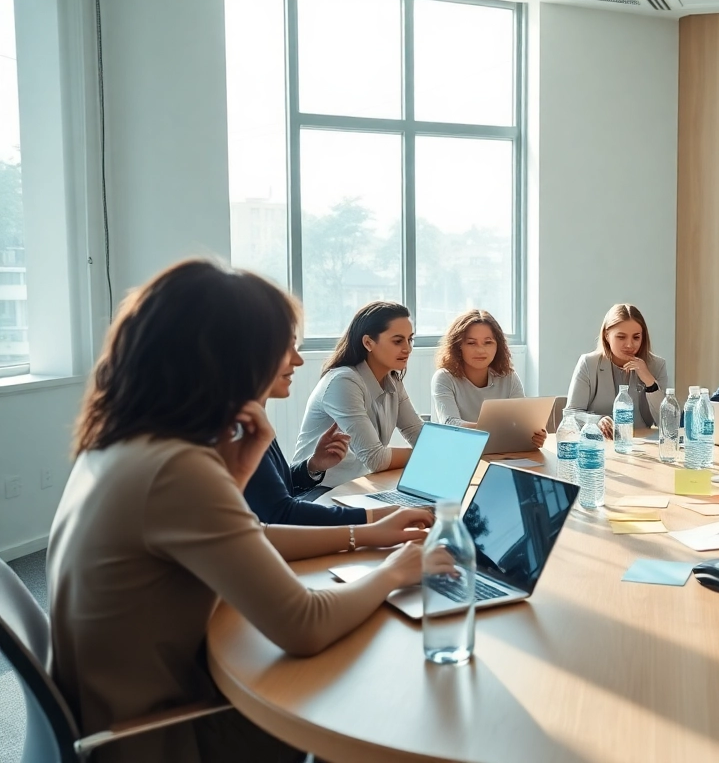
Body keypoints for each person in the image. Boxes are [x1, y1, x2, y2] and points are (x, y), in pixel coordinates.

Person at [47, 260, 438, 763]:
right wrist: (394, 571)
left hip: (126, 707)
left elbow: (251, 533)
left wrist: (369, 532)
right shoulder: (175, 470)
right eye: (284, 344)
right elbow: (305, 624)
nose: (297, 359)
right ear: (229, 353)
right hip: (160, 735)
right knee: (372, 686)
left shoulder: (124, 443)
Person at [242, 337, 397, 525]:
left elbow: (273, 490)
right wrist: (372, 517)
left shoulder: (252, 415)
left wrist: (313, 465)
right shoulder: (239, 426)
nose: (298, 360)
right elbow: (280, 514)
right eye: (286, 348)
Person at [294, 302, 423, 487]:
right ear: (368, 342)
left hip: (357, 487)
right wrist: (426, 454)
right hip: (318, 490)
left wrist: (446, 449)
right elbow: (375, 458)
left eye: (410, 340)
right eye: (397, 341)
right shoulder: (343, 381)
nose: (408, 349)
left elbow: (417, 433)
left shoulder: (393, 381)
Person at [430, 309, 545, 448]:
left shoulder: (509, 377)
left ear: (498, 346)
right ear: (458, 346)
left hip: (499, 452)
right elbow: (450, 425)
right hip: (455, 451)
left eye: (488, 342)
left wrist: (534, 435)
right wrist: (501, 430)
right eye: (471, 343)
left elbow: (522, 422)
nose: (480, 350)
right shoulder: (444, 378)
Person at [565, 303, 669, 438]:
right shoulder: (588, 363)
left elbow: (667, 423)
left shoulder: (657, 365)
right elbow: (571, 414)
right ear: (607, 335)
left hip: (641, 443)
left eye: (636, 337)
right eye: (621, 337)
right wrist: (596, 421)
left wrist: (650, 381)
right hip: (599, 443)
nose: (629, 345)